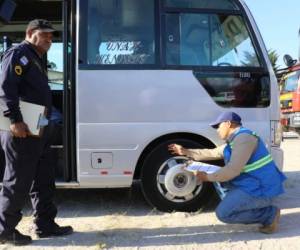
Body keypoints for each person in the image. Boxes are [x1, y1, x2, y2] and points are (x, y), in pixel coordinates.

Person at [0, 19, 73, 246]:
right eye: (45, 35)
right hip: (22, 129)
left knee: (44, 177)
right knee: (17, 180)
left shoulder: (36, 57)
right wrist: (14, 120)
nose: (50, 40)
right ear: (31, 33)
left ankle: (45, 224)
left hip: (38, 128)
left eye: (52, 37)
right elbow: (5, 87)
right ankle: (5, 230)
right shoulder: (18, 54)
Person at [168, 111, 286, 234]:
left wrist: (207, 177)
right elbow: (212, 153)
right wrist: (186, 151)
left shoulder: (244, 139)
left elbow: (232, 170)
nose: (217, 130)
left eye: (218, 126)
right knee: (221, 181)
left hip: (263, 190)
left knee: (223, 214)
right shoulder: (235, 140)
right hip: (254, 184)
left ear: (228, 123)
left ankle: (269, 214)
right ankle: (250, 207)